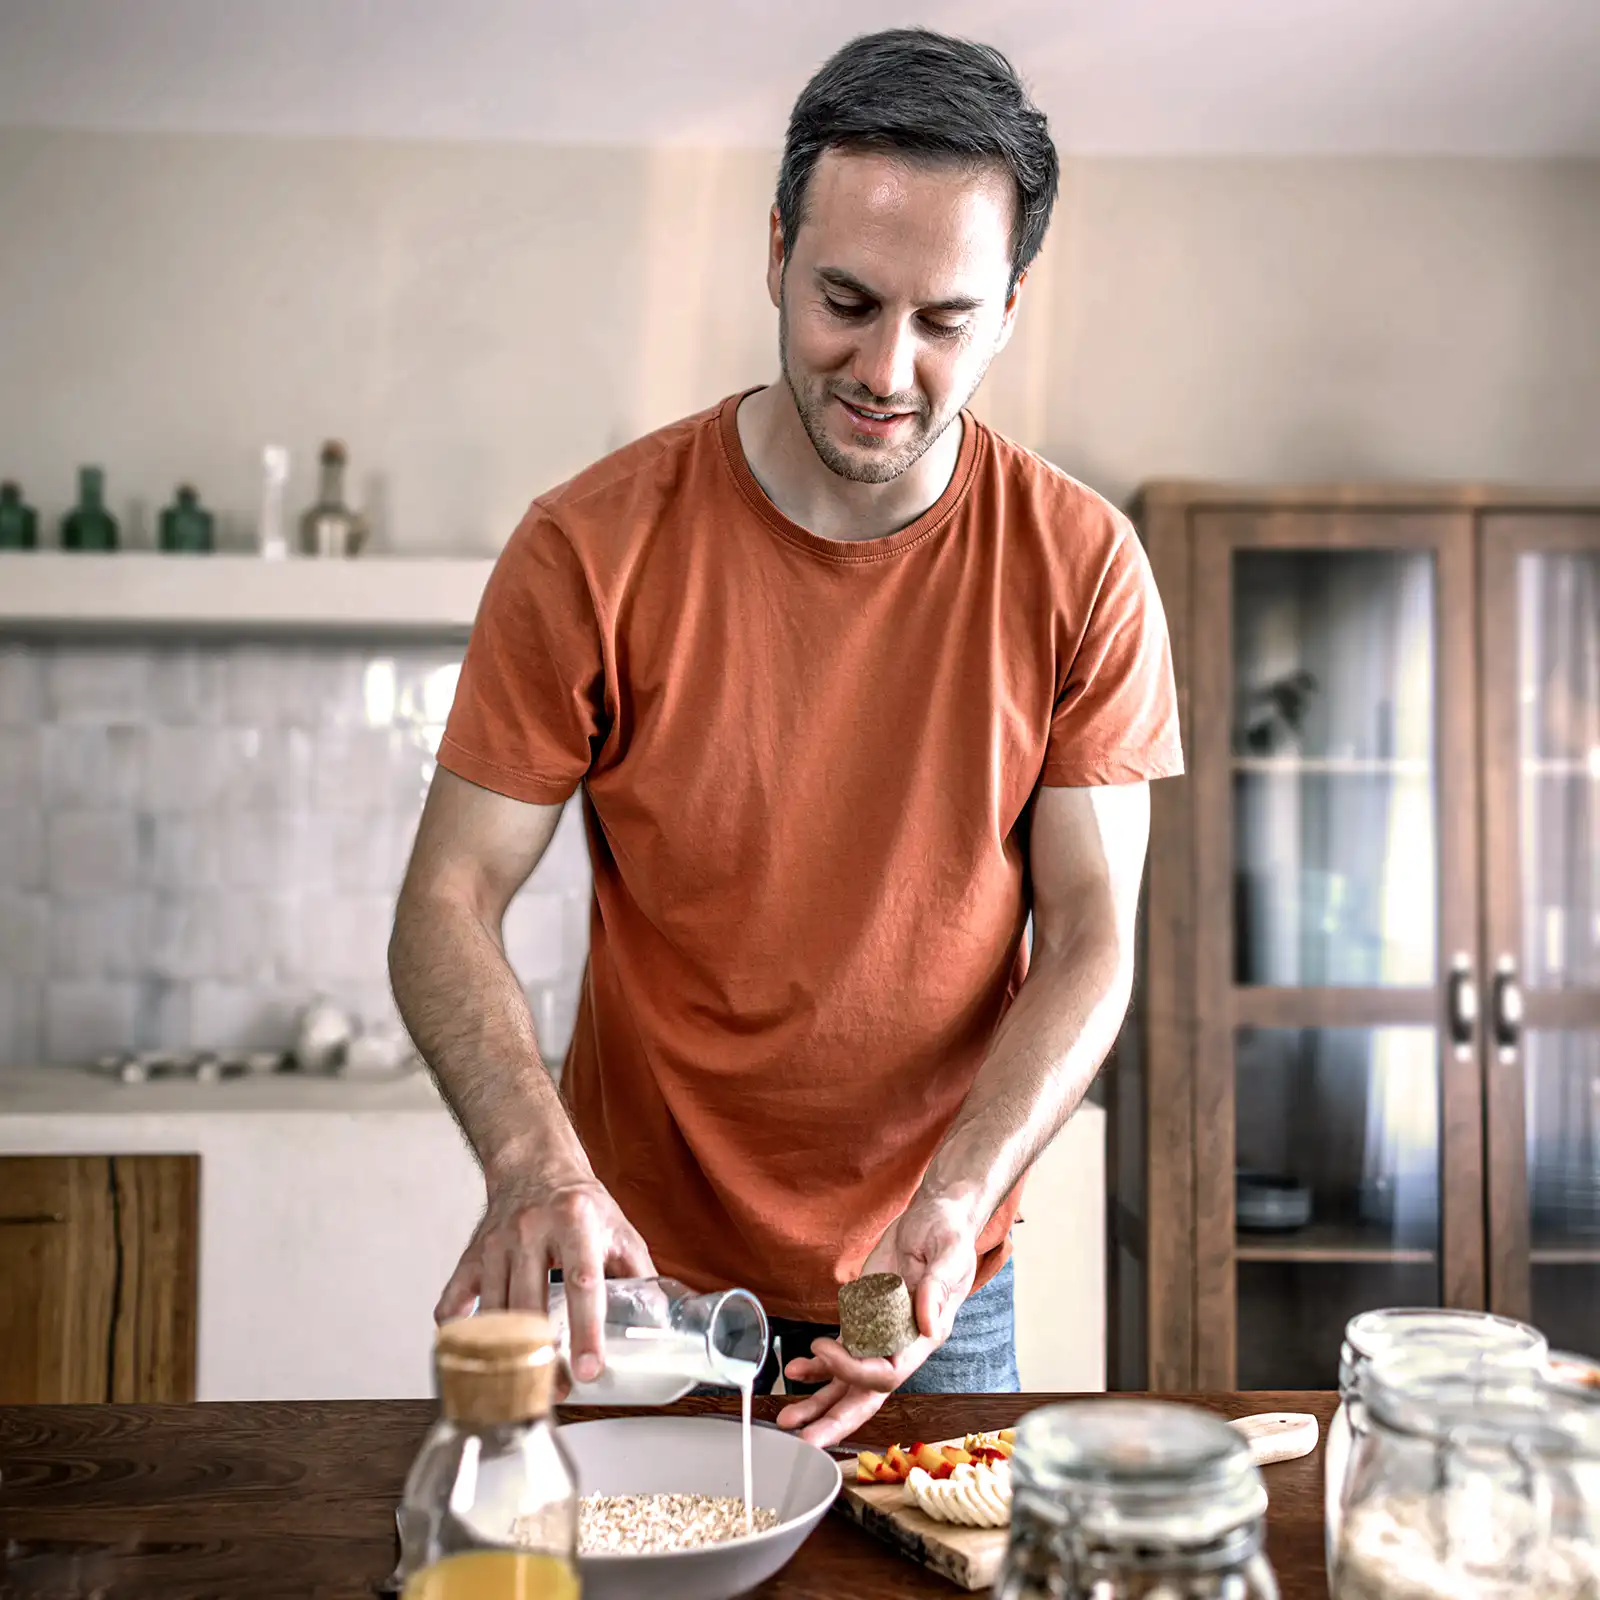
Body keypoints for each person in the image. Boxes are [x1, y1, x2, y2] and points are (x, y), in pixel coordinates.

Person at [389, 26, 1182, 1449]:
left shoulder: (1086, 567)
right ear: (773, 253)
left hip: (920, 1274)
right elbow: (447, 898)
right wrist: (527, 1166)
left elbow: (1091, 937)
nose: (887, 368)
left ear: (1010, 309)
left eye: (946, 321)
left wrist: (950, 1205)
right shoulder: (588, 548)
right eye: (845, 300)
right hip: (632, 1276)